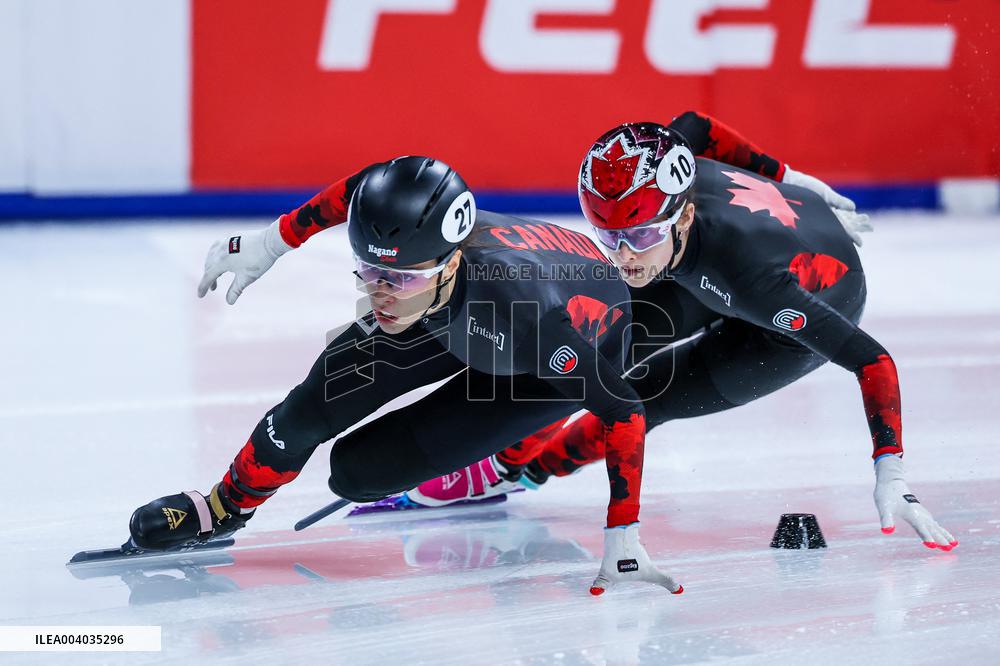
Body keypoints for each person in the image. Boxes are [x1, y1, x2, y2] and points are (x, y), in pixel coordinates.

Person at [386, 118, 957, 555]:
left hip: (789, 312)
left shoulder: (754, 279)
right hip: (702, 263)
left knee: (647, 398)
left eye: (638, 237)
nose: (622, 256)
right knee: (596, 345)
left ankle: (525, 473)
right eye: (608, 236)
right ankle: (501, 460)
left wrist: (892, 470)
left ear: (681, 217)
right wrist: (791, 177)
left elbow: (872, 360)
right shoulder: (659, 179)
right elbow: (698, 126)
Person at [126, 156, 683, 595]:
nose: (382, 295)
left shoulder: (529, 315)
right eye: (370, 272)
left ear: (451, 261)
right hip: (449, 312)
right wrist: (270, 244)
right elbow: (358, 190)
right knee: (311, 408)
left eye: (401, 278)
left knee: (359, 472)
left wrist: (622, 531)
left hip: (547, 354)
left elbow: (624, 409)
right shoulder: (405, 253)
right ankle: (223, 509)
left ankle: (504, 463)